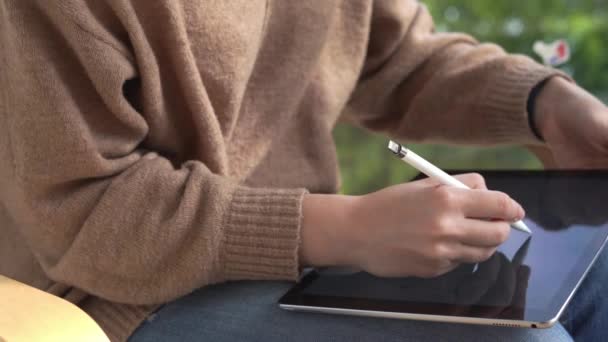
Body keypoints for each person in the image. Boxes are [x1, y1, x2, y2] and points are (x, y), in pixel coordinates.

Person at [1, 1, 607, 341]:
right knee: (514, 341)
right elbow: (85, 212)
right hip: (122, 298)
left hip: (315, 256)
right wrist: (348, 230)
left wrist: (545, 105)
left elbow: (395, 56)